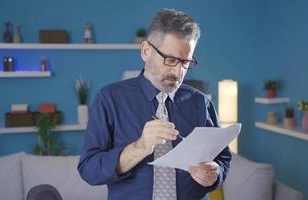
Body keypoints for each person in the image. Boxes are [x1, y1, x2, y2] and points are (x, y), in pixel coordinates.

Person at [78, 8, 231, 200]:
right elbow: (89, 170)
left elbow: (222, 156)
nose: (178, 72)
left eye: (185, 62)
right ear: (146, 51)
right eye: (171, 59)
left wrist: (214, 173)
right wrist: (139, 147)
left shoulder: (201, 102)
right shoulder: (109, 99)